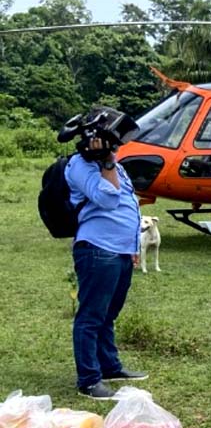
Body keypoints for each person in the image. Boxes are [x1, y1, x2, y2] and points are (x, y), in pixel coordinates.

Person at [66, 138, 148, 399]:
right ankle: (89, 380)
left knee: (108, 313)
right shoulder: (80, 164)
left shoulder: (112, 164)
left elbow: (128, 203)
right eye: (110, 142)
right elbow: (109, 198)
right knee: (91, 316)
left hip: (121, 250)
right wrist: (107, 161)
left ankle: (109, 367)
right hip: (98, 247)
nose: (115, 146)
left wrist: (132, 245)